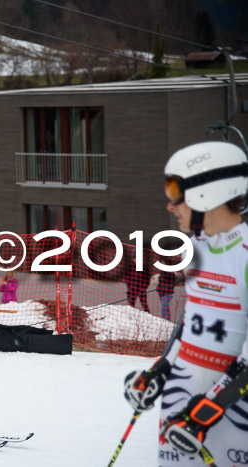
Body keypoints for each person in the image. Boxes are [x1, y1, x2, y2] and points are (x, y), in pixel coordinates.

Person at [123, 141, 248, 466]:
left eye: (176, 191)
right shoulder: (193, 247)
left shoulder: (244, 255)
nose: (170, 205)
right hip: (184, 396)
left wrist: (208, 411)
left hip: (230, 410)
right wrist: (159, 372)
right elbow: (191, 321)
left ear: (210, 192)